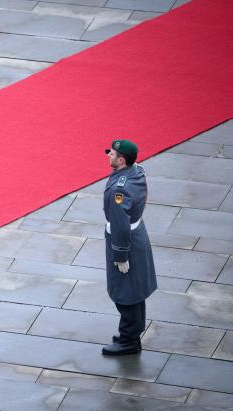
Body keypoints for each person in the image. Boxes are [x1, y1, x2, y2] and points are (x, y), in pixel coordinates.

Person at [102, 139, 157, 355]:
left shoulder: (120, 189)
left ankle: (128, 341)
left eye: (112, 154)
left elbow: (120, 225)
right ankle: (131, 334)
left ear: (122, 160)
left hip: (125, 241)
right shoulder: (135, 172)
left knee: (125, 293)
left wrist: (120, 254)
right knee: (133, 289)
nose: (109, 155)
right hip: (136, 235)